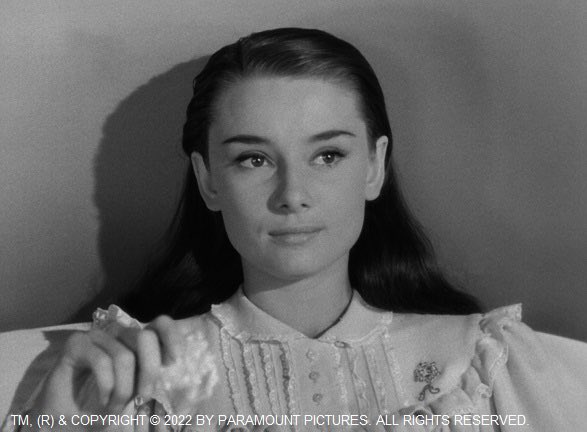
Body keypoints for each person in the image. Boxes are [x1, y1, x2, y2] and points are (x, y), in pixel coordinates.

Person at [5, 28, 587, 432]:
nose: (292, 194)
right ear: (208, 180)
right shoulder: (136, 377)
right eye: (253, 159)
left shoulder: (484, 365)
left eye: (328, 155)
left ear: (375, 166)